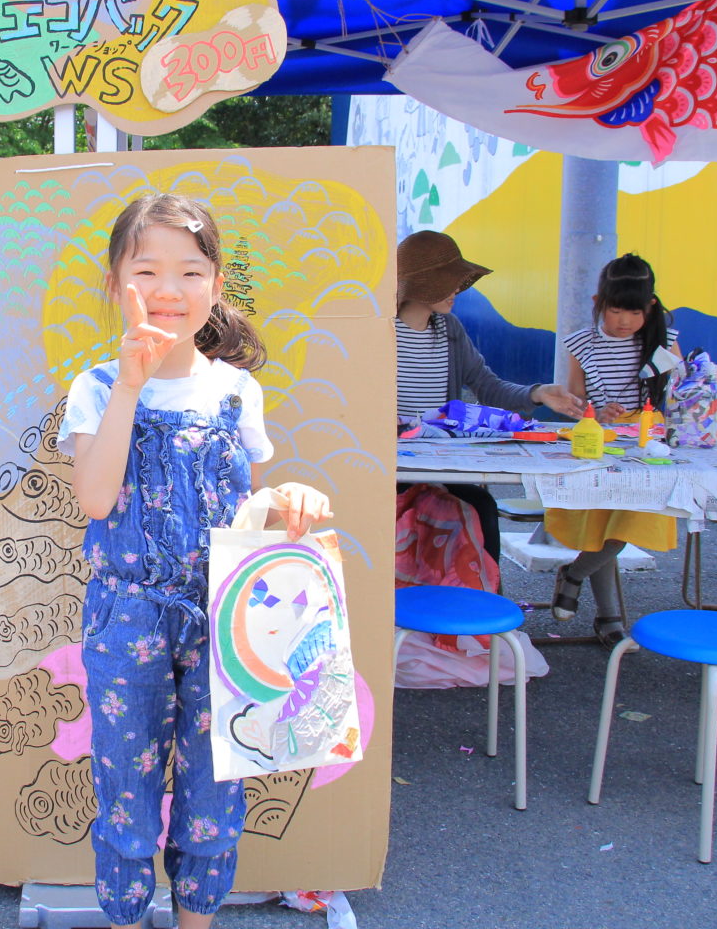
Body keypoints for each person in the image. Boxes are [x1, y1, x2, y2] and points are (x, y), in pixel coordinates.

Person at [60, 194, 332, 929]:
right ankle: (125, 917)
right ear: (116, 284)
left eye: (189, 271)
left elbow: (250, 513)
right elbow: (94, 498)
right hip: (127, 620)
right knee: (126, 795)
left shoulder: (237, 390)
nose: (168, 289)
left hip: (225, 617)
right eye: (146, 270)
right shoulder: (95, 388)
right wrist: (130, 383)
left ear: (215, 286)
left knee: (215, 796)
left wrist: (288, 499)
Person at [393, 230, 583, 569]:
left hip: (441, 468)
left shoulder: (450, 329)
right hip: (393, 469)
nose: (456, 290)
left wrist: (537, 393)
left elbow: (487, 385)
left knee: (481, 508)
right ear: (422, 284)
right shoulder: (380, 331)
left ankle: (486, 597)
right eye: (448, 281)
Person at [549, 253, 681, 647]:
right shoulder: (581, 343)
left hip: (648, 447)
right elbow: (574, 399)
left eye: (634, 312)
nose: (624, 321)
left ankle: (573, 574)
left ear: (650, 307)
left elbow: (679, 393)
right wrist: (595, 410)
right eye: (615, 310)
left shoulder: (664, 342)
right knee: (602, 529)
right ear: (598, 303)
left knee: (627, 525)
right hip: (599, 445)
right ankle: (609, 617)